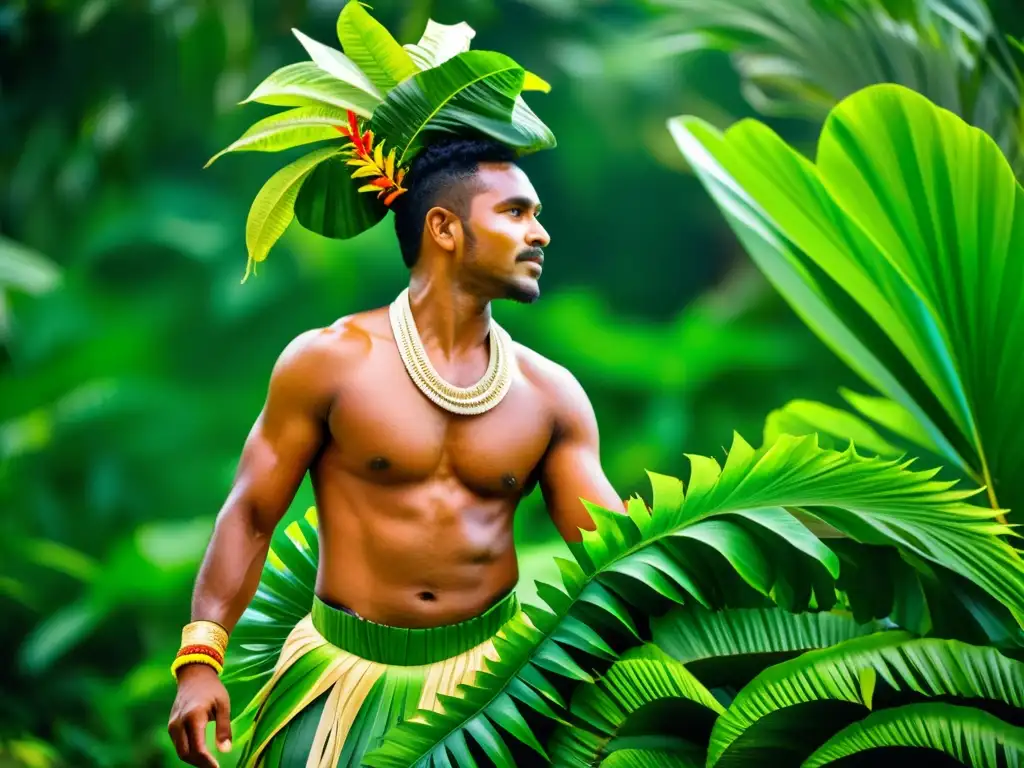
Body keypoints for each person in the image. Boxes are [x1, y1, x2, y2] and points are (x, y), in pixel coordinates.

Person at [167, 7, 624, 767]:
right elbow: (250, 513)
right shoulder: (330, 363)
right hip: (336, 691)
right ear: (444, 230)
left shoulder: (549, 395)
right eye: (516, 213)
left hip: (490, 699)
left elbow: (608, 558)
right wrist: (199, 660)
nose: (540, 233)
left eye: (537, 215)